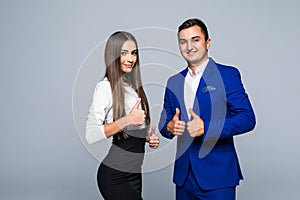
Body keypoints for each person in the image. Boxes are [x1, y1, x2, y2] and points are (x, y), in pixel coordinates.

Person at [158, 18, 256, 199]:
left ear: (207, 42)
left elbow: (247, 118)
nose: (189, 46)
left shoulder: (227, 74)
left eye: (195, 39)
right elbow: (164, 122)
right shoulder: (173, 81)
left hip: (217, 177)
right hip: (184, 178)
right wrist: (169, 127)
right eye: (183, 42)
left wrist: (207, 127)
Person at [85, 31, 159, 200]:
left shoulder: (130, 86)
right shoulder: (106, 88)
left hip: (134, 174)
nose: (130, 59)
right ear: (113, 55)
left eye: (133, 53)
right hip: (115, 175)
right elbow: (91, 134)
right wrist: (128, 119)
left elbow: (128, 131)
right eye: (123, 53)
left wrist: (146, 138)